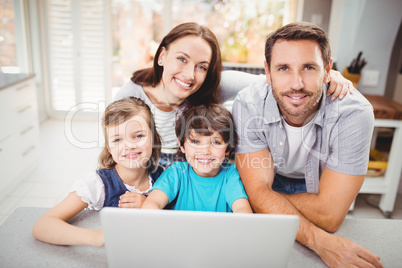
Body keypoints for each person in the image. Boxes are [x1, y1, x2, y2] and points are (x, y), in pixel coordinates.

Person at [232, 22, 382, 267]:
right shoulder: (248, 103)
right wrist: (320, 241)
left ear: (327, 70)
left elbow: (330, 215)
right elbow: (259, 191)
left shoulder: (354, 113)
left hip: (319, 184)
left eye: (309, 67)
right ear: (267, 72)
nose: (297, 83)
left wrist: (261, 199)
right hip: (274, 176)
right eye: (283, 68)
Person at [114, 22, 352, 168]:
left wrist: (328, 76)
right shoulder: (131, 95)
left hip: (199, 168)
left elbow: (276, 82)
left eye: (202, 66)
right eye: (182, 59)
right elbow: (116, 154)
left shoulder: (216, 85)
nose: (189, 74)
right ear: (162, 56)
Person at [32, 97, 163, 247]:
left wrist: (149, 206)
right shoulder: (97, 185)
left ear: (153, 138)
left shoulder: (164, 177)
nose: (129, 145)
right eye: (117, 140)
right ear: (108, 147)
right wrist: (95, 237)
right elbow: (42, 225)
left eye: (139, 136)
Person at [142, 104, 252, 213]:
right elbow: (152, 203)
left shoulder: (231, 175)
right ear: (182, 145)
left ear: (228, 148)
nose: (205, 151)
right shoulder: (177, 172)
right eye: (195, 142)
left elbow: (243, 210)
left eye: (215, 142)